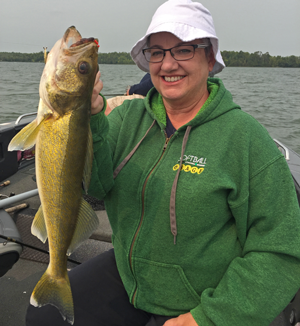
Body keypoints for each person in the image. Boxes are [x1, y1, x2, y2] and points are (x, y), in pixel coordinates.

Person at [26, 0, 300, 325]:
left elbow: (282, 252)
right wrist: (94, 119)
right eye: (157, 52)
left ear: (210, 58)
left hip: (200, 298)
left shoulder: (246, 140)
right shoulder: (127, 118)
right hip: (131, 278)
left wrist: (206, 318)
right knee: (45, 315)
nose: (168, 65)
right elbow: (97, 184)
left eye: (183, 50)